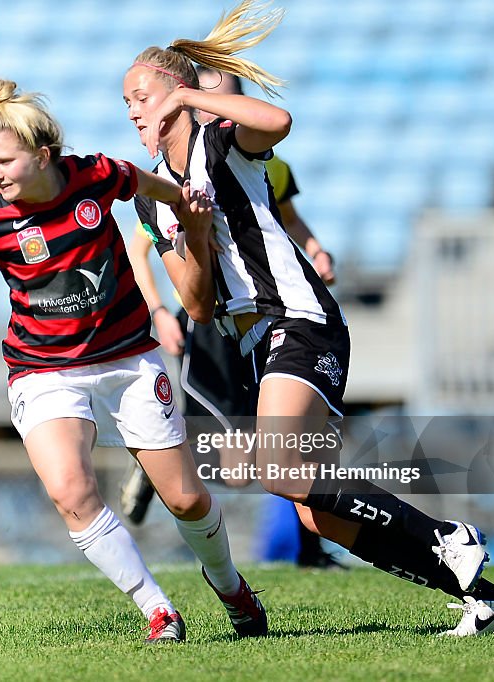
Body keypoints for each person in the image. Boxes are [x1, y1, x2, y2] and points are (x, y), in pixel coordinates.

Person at [120, 0, 494, 636]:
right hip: (255, 339)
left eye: (141, 96)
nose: (134, 111)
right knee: (318, 514)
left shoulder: (220, 140)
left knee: (279, 470)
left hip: (300, 320)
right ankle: (487, 598)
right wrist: (193, 234)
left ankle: (447, 535)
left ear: (176, 93)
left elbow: (277, 120)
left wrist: (200, 99)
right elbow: (195, 304)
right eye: (128, 103)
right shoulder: (152, 196)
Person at [0, 79, 268, 643]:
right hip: (43, 371)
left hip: (129, 358)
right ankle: (157, 609)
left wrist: (190, 216)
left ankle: (231, 588)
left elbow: (161, 190)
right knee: (70, 492)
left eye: (5, 161)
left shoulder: (97, 176)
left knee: (185, 498)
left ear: (42, 155)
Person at [120, 66, 342, 570]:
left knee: (271, 457)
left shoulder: (255, 155)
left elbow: (285, 215)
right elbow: (147, 252)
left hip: (272, 317)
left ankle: (317, 551)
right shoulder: (164, 186)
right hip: (216, 323)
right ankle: (159, 459)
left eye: (223, 97)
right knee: (242, 464)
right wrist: (160, 310)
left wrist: (315, 249)